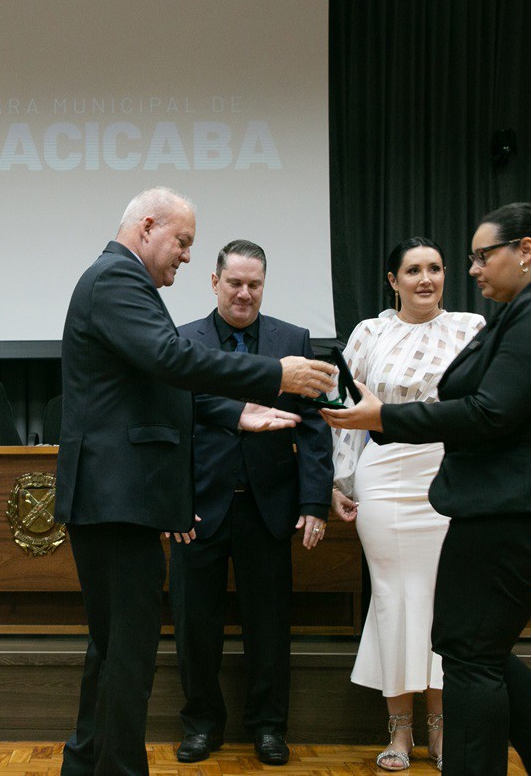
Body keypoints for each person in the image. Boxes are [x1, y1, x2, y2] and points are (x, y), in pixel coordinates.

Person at [56, 187, 337, 776]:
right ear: (147, 226)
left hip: (118, 500)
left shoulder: (120, 280)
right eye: (182, 241)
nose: (186, 255)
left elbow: (159, 384)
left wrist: (233, 412)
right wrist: (273, 375)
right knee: (124, 658)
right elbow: (170, 359)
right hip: (117, 498)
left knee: (114, 655)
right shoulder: (116, 279)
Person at [324, 204, 531, 776]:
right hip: (493, 508)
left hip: (521, 512)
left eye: (479, 256)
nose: (470, 269)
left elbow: (490, 413)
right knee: (474, 647)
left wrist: (387, 421)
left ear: (524, 251)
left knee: (468, 655)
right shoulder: (517, 314)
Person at [170, 239, 334, 766]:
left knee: (269, 624)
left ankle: (268, 727)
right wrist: (171, 502)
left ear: (264, 285)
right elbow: (171, 425)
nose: (244, 293)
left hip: (270, 507)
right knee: (196, 626)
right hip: (197, 510)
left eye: (254, 284)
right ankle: (201, 724)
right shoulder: (181, 342)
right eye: (235, 283)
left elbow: (313, 428)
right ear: (214, 282)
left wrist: (314, 501)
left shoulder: (293, 340)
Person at [329, 238, 485, 771]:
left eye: (436, 269)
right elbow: (346, 412)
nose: (427, 279)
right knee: (394, 598)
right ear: (392, 280)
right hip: (385, 475)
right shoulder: (369, 334)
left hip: (449, 475)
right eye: (413, 270)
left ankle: (441, 731)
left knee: (442, 602)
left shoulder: (473, 330)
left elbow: (487, 411)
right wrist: (341, 481)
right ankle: (399, 732)